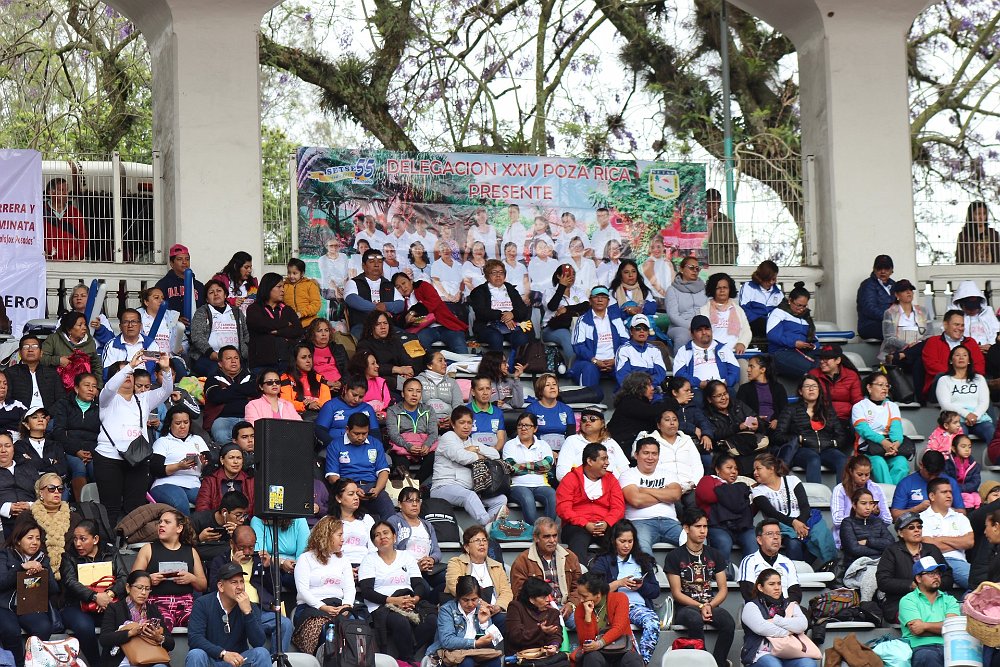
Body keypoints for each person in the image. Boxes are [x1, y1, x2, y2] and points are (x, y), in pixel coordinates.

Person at [96, 354, 173, 524]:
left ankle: (129, 538)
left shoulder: (143, 398)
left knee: (136, 507)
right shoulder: (106, 398)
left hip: (138, 458)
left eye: (131, 374)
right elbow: (109, 387)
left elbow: (166, 391)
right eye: (123, 373)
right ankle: (109, 539)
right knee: (110, 507)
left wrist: (166, 369)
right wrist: (130, 366)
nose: (128, 376)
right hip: (108, 458)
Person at [664, 509, 735, 667]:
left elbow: (723, 589)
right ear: (686, 528)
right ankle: (702, 662)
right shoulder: (674, 556)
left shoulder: (714, 554)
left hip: (710, 604)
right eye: (698, 526)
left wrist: (709, 605)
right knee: (695, 620)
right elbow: (676, 593)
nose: (703, 531)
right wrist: (701, 606)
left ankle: (718, 662)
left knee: (729, 623)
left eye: (705, 526)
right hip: (685, 607)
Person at [360, 521, 437, 664]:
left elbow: (418, 583)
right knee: (400, 621)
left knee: (432, 620)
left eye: (386, 533)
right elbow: (366, 591)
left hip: (408, 601)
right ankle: (409, 660)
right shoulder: (369, 560)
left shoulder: (406, 556)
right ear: (374, 542)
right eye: (377, 535)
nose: (382, 537)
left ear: (394, 536)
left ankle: (406, 656)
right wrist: (394, 601)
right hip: (382, 605)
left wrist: (414, 599)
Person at [207, 525, 291, 651]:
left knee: (284, 623)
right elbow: (214, 589)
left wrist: (269, 568)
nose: (247, 552)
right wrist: (232, 566)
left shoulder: (260, 560)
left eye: (251, 547)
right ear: (232, 544)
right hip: (231, 613)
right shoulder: (221, 560)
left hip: (260, 610)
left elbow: (275, 590)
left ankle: (276, 660)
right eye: (242, 548)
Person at [589, 520, 661, 665]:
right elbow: (595, 591)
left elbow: (655, 591)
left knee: (653, 622)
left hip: (637, 608)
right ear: (614, 541)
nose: (626, 545)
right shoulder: (603, 561)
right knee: (623, 630)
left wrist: (641, 586)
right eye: (622, 541)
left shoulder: (642, 560)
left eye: (630, 541)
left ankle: (642, 662)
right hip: (613, 609)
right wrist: (619, 583)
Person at [60, 519, 130, 667]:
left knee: (119, 622)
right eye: (75, 539)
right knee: (84, 627)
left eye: (83, 539)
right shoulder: (68, 556)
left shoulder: (111, 552)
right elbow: (70, 582)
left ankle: (109, 662)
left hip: (107, 603)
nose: (78, 544)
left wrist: (109, 595)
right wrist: (95, 597)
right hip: (77, 606)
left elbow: (123, 577)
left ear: (95, 539)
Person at [750, 453, 837, 567]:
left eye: (758, 469)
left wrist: (801, 525)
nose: (755, 473)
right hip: (781, 525)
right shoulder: (757, 491)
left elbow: (804, 505)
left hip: (804, 520)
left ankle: (828, 566)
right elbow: (772, 513)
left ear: (771, 469)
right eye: (754, 470)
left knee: (821, 536)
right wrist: (794, 523)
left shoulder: (792, 480)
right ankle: (796, 572)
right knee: (793, 544)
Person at [131, 509, 208, 629]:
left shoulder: (191, 551)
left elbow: (203, 585)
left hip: (186, 604)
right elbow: (132, 581)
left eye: (167, 522)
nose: (161, 525)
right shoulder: (148, 549)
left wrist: (192, 578)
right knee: (162, 624)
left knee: (200, 622)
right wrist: (148, 580)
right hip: (157, 603)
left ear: (179, 528)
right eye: (160, 522)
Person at [431, 406, 508, 527]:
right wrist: (479, 456)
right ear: (453, 424)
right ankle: (489, 525)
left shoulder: (471, 441)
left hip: (468, 489)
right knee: (469, 496)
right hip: (443, 487)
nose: (466, 426)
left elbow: (495, 454)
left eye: (469, 423)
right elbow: (462, 457)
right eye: (462, 422)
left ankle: (488, 530)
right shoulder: (448, 437)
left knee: (501, 499)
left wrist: (475, 448)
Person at [185, 560, 271, 667]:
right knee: (196, 654)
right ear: (221, 586)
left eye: (241, 581)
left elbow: (258, 642)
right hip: (211, 660)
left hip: (238, 661)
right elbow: (195, 638)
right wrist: (223, 653)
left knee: (261, 653)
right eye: (234, 582)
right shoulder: (202, 603)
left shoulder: (249, 606)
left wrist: (248, 613)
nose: (240, 587)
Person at [0, 518, 60, 667]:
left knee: (43, 627)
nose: (35, 542)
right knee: (11, 631)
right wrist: (21, 567)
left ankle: (31, 661)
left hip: (30, 606)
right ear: (18, 540)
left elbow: (54, 590)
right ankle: (16, 664)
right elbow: (1, 582)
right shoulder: (5, 554)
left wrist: (43, 573)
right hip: (6, 606)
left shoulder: (43, 558)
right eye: (30, 538)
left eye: (38, 539)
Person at [875, 511, 953, 623]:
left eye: (919, 527)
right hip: (900, 602)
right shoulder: (892, 551)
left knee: (950, 615)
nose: (917, 530)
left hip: (934, 600)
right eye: (911, 527)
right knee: (924, 617)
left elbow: (948, 577)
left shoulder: (932, 549)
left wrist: (930, 585)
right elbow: (883, 581)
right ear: (900, 533)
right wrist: (911, 585)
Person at [556, 442, 625, 563]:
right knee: (578, 540)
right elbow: (563, 509)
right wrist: (585, 524)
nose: (607, 463)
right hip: (577, 526)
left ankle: (618, 572)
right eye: (603, 459)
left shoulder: (611, 479)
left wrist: (606, 523)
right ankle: (580, 574)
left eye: (607, 458)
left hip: (605, 525)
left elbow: (618, 508)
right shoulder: (570, 478)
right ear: (590, 461)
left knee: (620, 539)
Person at [509, 517, 581, 629]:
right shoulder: (522, 561)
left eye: (555, 536)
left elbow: (579, 587)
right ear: (536, 538)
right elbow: (520, 594)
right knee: (549, 627)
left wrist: (571, 604)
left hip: (566, 607)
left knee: (587, 622)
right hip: (537, 611)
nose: (552, 540)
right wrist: (543, 606)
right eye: (547, 536)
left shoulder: (570, 557)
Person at [774, 375, 849, 483]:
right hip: (802, 450)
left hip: (826, 449)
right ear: (800, 391)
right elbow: (778, 436)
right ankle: (815, 492)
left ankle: (843, 492)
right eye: (807, 386)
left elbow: (840, 435)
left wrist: (832, 443)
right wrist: (799, 439)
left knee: (842, 459)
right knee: (813, 459)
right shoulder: (791, 409)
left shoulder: (827, 410)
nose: (811, 389)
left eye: (814, 386)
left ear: (819, 390)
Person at [324, 412, 394, 521]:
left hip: (372, 488)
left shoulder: (375, 444)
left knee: (389, 511)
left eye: (364, 433)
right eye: (356, 433)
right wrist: (354, 489)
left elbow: (383, 471)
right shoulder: (335, 445)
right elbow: (333, 477)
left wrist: (377, 489)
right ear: (347, 429)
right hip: (348, 489)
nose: (361, 437)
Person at [619, 437, 683, 553]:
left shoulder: (668, 474)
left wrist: (644, 490)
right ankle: (650, 566)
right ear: (636, 455)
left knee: (694, 542)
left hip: (670, 522)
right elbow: (636, 500)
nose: (650, 457)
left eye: (654, 454)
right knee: (642, 548)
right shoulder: (627, 475)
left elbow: (676, 495)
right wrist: (664, 494)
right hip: (640, 522)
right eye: (646, 453)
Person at [739, 568, 815, 667]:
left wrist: (776, 620)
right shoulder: (751, 606)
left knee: (808, 664)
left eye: (779, 584)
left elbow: (802, 625)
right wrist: (789, 631)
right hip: (761, 654)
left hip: (790, 652)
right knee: (773, 665)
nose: (777, 588)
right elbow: (762, 628)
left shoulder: (789, 604)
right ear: (760, 587)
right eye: (771, 584)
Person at [99, 570, 174, 667]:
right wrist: (131, 632)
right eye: (139, 588)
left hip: (150, 658)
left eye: (147, 589)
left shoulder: (153, 609)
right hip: (122, 660)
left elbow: (171, 643)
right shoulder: (115, 608)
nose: (143, 593)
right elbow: (104, 639)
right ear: (128, 588)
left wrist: (158, 637)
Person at [427, 575, 503, 667]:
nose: (470, 604)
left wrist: (483, 623)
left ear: (479, 598)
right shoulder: (447, 610)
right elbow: (447, 641)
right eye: (465, 600)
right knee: (467, 662)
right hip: (452, 653)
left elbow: (495, 641)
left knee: (494, 661)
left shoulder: (482, 610)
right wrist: (475, 643)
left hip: (477, 653)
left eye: (474, 599)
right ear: (458, 597)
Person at [292, 516, 355, 626]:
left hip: (338, 605)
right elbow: (302, 590)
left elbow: (349, 588)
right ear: (327, 535)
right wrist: (322, 607)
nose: (343, 539)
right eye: (339, 535)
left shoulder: (344, 560)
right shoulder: (305, 558)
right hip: (310, 607)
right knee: (324, 626)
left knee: (352, 626)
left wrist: (347, 605)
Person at [898, 556, 961, 667]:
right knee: (929, 656)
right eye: (931, 573)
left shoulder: (950, 600)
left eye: (938, 573)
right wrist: (942, 628)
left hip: (948, 647)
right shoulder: (907, 600)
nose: (936, 577)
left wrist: (925, 626)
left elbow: (952, 629)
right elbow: (916, 630)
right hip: (920, 648)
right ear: (918, 578)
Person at [852, 371, 911, 485]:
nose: (884, 388)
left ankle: (893, 494)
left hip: (891, 448)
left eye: (887, 385)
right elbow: (864, 431)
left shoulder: (892, 406)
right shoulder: (859, 406)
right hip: (869, 450)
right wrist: (884, 442)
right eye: (880, 385)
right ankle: (889, 494)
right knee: (879, 463)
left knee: (902, 463)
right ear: (869, 387)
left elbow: (896, 429)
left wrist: (895, 445)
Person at [572, 571, 642, 667]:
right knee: (592, 658)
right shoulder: (580, 609)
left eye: (584, 596)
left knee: (632, 659)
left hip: (621, 649)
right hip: (597, 653)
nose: (581, 600)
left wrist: (600, 643)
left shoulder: (620, 599)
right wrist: (588, 617)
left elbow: (619, 628)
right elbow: (586, 642)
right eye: (579, 595)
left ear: (598, 593)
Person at [149, 405, 209, 514]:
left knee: (208, 501)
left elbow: (210, 465)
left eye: (186, 422)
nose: (182, 426)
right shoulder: (163, 441)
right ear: (170, 424)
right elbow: (155, 469)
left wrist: (204, 465)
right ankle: (187, 526)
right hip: (166, 483)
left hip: (194, 483)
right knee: (180, 501)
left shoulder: (197, 439)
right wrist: (178, 466)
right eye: (178, 423)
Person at [570, 286, 629, 395]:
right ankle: (589, 402)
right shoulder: (582, 320)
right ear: (590, 300)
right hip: (590, 362)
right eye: (596, 297)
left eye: (603, 297)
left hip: (614, 361)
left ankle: (623, 401)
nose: (600, 300)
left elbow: (625, 342)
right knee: (589, 369)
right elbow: (578, 346)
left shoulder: (616, 318)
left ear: (608, 301)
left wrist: (616, 359)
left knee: (628, 368)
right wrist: (595, 361)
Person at [696, 453, 757, 559]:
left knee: (753, 540)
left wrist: (725, 492)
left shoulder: (740, 485)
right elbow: (709, 497)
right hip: (717, 526)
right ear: (717, 469)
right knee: (724, 542)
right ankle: (723, 570)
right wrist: (733, 493)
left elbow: (749, 508)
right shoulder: (708, 480)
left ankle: (750, 569)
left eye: (736, 469)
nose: (734, 471)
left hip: (741, 526)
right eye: (729, 468)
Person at [391, 272, 469, 354]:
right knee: (419, 347)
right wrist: (408, 321)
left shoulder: (422, 286)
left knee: (460, 347)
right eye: (398, 287)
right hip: (425, 330)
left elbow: (434, 300)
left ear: (410, 281)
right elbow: (400, 319)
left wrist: (413, 311)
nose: (403, 288)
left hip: (445, 325)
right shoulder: (402, 301)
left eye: (404, 283)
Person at [469, 259, 534, 358]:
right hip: (488, 326)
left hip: (512, 326)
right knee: (495, 337)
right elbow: (481, 312)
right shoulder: (479, 291)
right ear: (487, 276)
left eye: (501, 272)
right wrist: (503, 316)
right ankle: (497, 365)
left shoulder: (510, 289)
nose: (498, 275)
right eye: (494, 273)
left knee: (521, 338)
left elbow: (523, 310)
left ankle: (517, 365)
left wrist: (512, 314)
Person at [704, 379, 768, 476]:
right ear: (709, 399)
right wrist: (738, 427)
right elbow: (714, 434)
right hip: (728, 450)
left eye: (725, 394)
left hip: (750, 443)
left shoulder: (738, 404)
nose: (723, 398)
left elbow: (756, 419)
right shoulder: (707, 415)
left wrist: (757, 425)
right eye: (718, 396)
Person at [635, 407, 702, 498]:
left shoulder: (686, 439)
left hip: (689, 486)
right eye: (667, 420)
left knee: (695, 502)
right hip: (664, 488)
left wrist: (693, 483)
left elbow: (697, 465)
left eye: (675, 420)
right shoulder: (650, 440)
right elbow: (638, 457)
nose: (672, 423)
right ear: (659, 425)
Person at [386, 488, 444, 592]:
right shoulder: (393, 521)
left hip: (428, 569)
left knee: (450, 580)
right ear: (400, 504)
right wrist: (414, 565)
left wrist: (431, 559)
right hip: (405, 569)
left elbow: (437, 551)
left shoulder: (427, 525)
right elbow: (390, 550)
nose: (414, 504)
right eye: (410, 501)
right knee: (423, 588)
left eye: (417, 500)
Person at [919, 477, 973, 589]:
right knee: (979, 584)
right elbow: (928, 546)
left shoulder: (960, 517)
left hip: (959, 561)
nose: (949, 495)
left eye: (950, 492)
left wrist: (940, 539)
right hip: (934, 562)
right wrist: (958, 542)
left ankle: (968, 597)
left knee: (982, 583)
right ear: (932, 496)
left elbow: (969, 542)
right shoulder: (921, 518)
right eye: (944, 492)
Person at [246, 272, 304, 373]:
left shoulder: (287, 309)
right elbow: (262, 325)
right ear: (268, 288)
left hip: (286, 362)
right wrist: (286, 324)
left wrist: (278, 332)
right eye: (279, 286)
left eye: (283, 287)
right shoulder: (254, 309)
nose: (283, 290)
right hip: (262, 363)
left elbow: (298, 330)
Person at [503, 413, 556, 524]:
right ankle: (534, 531)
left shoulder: (543, 444)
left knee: (553, 496)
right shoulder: (509, 445)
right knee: (527, 498)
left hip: (541, 485)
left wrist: (523, 466)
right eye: (520, 425)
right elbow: (512, 467)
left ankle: (547, 530)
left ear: (535, 429)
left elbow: (547, 465)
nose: (523, 428)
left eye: (527, 425)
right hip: (517, 486)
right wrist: (536, 467)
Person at [190, 279, 249, 378]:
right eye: (211, 292)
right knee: (217, 373)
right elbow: (197, 336)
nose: (216, 294)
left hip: (235, 357)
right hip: (208, 357)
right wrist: (211, 353)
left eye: (219, 291)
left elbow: (246, 333)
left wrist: (243, 352)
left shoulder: (237, 312)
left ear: (225, 295)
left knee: (247, 376)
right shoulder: (202, 312)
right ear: (207, 299)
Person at [936, 344, 995, 443]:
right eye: (957, 355)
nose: (961, 357)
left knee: (992, 433)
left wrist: (975, 415)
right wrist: (967, 415)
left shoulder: (979, 379)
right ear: (951, 360)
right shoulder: (944, 380)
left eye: (964, 355)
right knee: (960, 438)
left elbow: (984, 401)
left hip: (978, 418)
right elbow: (945, 404)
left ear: (969, 360)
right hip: (955, 419)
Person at [921, 309, 985, 398]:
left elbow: (980, 365)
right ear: (945, 325)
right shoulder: (933, 341)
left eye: (962, 325)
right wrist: (957, 375)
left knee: (981, 382)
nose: (960, 328)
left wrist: (965, 377)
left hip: (968, 383)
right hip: (942, 385)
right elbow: (931, 365)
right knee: (941, 376)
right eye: (956, 324)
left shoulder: (971, 342)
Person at [830, 456, 891, 549]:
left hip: (873, 538)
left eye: (867, 475)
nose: (863, 478)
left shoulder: (876, 489)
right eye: (859, 474)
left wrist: (878, 513)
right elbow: (837, 520)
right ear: (851, 471)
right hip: (846, 540)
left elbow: (888, 520)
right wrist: (858, 517)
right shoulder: (840, 489)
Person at [386, 377, 438, 482]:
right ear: (403, 393)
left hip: (423, 447)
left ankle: (416, 484)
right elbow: (393, 434)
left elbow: (433, 433)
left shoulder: (428, 410)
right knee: (401, 463)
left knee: (434, 458)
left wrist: (426, 445)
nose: (414, 394)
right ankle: (409, 485)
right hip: (402, 447)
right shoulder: (393, 410)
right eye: (410, 390)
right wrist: (408, 446)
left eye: (418, 391)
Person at [736, 519, 802, 603]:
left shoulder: (787, 562)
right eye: (770, 534)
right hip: (759, 608)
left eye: (778, 534)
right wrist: (773, 606)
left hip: (786, 608)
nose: (776, 537)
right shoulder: (750, 561)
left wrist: (785, 606)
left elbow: (795, 592)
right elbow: (748, 593)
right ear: (759, 540)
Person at [346, 248, 406, 338]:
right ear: (363, 266)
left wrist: (385, 306)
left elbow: (400, 304)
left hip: (386, 327)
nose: (376, 265)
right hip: (363, 326)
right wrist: (377, 309)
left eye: (380, 262)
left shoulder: (388, 285)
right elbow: (352, 299)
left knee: (406, 339)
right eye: (371, 262)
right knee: (367, 342)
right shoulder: (353, 282)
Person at [202, 347, 257, 445]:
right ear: (220, 363)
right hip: (223, 419)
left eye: (236, 358)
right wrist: (244, 391)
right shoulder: (213, 378)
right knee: (222, 436)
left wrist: (228, 390)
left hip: (249, 417)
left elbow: (255, 391)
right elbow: (216, 397)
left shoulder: (251, 377)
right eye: (228, 358)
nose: (233, 361)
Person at [557, 407, 630, 481]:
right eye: (584, 419)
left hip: (612, 485)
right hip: (580, 485)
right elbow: (562, 472)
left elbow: (625, 470)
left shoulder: (611, 442)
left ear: (602, 423)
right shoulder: (572, 440)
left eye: (592, 419)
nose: (588, 421)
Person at [358, 310, 421, 394]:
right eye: (378, 324)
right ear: (371, 327)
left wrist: (409, 371)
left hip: (400, 377)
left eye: (385, 323)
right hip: (380, 380)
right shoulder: (364, 344)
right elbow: (368, 367)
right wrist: (398, 369)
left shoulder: (394, 341)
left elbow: (406, 358)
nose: (383, 327)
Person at [606, 372, 666, 459]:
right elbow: (652, 412)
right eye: (649, 385)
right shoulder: (629, 402)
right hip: (622, 452)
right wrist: (675, 401)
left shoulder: (640, 403)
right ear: (639, 387)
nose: (653, 388)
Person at [890, 449, 966, 517]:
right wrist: (916, 509)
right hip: (916, 524)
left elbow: (962, 513)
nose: (932, 478)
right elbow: (895, 515)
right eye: (929, 474)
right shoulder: (906, 483)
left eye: (936, 474)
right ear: (921, 465)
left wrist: (944, 508)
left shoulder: (949, 483)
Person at [766, 282, 819, 378]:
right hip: (782, 353)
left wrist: (813, 346)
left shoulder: (806, 317)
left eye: (804, 306)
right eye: (799, 305)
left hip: (803, 352)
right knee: (814, 369)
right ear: (790, 300)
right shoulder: (779, 312)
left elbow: (814, 338)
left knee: (829, 361)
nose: (801, 309)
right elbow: (772, 335)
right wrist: (794, 343)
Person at [542, 264, 590, 369]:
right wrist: (562, 286)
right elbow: (552, 306)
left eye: (573, 274)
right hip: (552, 328)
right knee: (566, 336)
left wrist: (566, 309)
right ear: (559, 276)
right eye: (567, 274)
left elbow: (586, 306)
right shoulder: (549, 291)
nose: (571, 277)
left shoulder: (577, 291)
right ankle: (574, 368)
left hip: (576, 326)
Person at [314, 378, 381, 451]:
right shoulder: (331, 405)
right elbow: (320, 431)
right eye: (354, 395)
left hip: (363, 450)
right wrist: (335, 446)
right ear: (345, 389)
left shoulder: (368, 408)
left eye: (361, 397)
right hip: (334, 448)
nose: (356, 399)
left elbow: (375, 433)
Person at [807, 343, 862, 431]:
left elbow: (857, 401)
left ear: (838, 360)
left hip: (845, 418)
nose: (822, 361)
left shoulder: (851, 375)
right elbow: (808, 400)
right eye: (821, 358)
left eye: (827, 358)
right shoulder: (813, 374)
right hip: (821, 418)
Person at [505, 577, 564, 657]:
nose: (548, 600)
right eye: (543, 597)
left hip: (545, 654)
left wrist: (554, 645)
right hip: (521, 655)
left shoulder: (553, 613)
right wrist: (540, 630)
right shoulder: (516, 607)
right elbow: (516, 636)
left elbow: (557, 633)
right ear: (532, 599)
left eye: (548, 596)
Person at [878, 279, 932, 364]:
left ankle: (907, 354)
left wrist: (917, 345)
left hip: (920, 352)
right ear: (896, 294)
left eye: (910, 289)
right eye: (904, 290)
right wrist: (908, 346)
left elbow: (930, 335)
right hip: (897, 351)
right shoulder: (889, 312)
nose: (908, 292)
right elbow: (889, 338)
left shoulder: (924, 311)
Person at [41, 310, 103, 384]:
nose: (84, 328)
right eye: (80, 325)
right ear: (69, 329)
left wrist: (98, 386)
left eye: (85, 324)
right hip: (57, 383)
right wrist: (58, 360)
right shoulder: (54, 339)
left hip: (82, 385)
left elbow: (96, 365)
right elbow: (42, 358)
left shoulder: (89, 342)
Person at [5, 335, 63, 411]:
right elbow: (6, 399)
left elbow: (61, 399)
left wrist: (50, 414)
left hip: (48, 415)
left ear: (41, 353)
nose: (30, 350)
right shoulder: (10, 373)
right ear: (20, 353)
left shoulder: (51, 373)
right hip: (20, 415)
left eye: (35, 347)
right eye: (26, 347)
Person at [614, 314, 669, 393]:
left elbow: (660, 373)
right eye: (638, 328)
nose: (641, 331)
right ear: (631, 331)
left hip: (651, 390)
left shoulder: (655, 350)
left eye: (645, 328)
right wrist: (642, 387)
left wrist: (648, 387)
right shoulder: (623, 350)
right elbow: (623, 376)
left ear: (648, 332)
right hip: (630, 392)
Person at [839, 488, 895, 565]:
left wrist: (867, 542)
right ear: (854, 505)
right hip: (857, 565)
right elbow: (854, 549)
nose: (868, 507)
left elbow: (891, 543)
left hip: (881, 563)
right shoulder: (847, 523)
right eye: (863, 503)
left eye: (871, 503)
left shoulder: (878, 521)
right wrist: (881, 550)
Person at [15, 407, 68, 486]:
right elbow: (24, 469)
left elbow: (62, 469)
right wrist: (50, 461)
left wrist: (39, 469)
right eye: (35, 417)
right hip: (29, 487)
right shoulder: (19, 445)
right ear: (26, 424)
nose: (40, 420)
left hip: (55, 487)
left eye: (43, 417)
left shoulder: (56, 445)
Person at [700, 272, 752, 354]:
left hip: (735, 353)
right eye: (718, 288)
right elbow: (700, 333)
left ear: (730, 289)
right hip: (712, 353)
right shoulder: (704, 310)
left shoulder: (738, 310)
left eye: (725, 287)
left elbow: (747, 331)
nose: (722, 290)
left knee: (745, 363)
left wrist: (742, 343)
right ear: (712, 290)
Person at [736, 355, 787, 438]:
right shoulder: (744, 389)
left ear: (762, 370)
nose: (748, 370)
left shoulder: (778, 387)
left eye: (751, 366)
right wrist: (755, 419)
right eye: (748, 366)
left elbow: (785, 410)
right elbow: (739, 413)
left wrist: (777, 420)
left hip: (775, 428)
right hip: (753, 428)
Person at [524, 374, 577, 453]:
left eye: (554, 384)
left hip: (563, 451)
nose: (552, 387)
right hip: (538, 451)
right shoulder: (531, 409)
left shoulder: (567, 409)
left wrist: (562, 454)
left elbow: (571, 436)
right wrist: (548, 452)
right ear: (540, 390)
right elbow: (528, 436)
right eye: (547, 385)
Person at [329, 478, 376, 567]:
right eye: (351, 494)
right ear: (338, 498)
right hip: (338, 566)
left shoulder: (367, 519)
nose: (356, 497)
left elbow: (373, 548)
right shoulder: (328, 521)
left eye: (357, 494)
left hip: (364, 565)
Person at [279, 342, 332, 420]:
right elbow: (286, 403)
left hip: (319, 416)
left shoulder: (319, 378)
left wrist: (315, 404)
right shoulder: (286, 378)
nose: (308, 361)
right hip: (295, 418)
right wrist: (305, 405)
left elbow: (326, 402)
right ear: (295, 360)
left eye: (309, 357)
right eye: (303, 357)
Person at [0, 432, 38, 537]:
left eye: (7, 446)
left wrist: (31, 505)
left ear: (13, 449)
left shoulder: (27, 466)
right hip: (4, 522)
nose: (3, 450)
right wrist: (6, 508)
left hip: (32, 517)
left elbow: (42, 491)